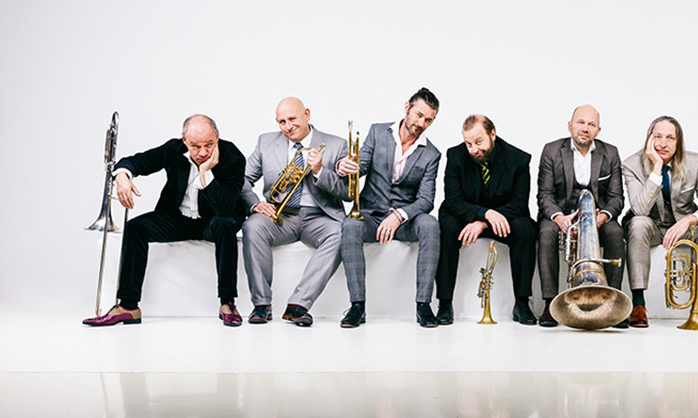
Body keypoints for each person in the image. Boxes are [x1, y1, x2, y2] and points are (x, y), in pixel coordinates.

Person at [83, 115, 246, 327]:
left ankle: (228, 303)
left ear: (217, 137)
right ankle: (129, 306)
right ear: (184, 141)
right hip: (179, 218)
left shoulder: (233, 156)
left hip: (214, 219)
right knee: (136, 228)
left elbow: (225, 207)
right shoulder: (175, 149)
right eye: (195, 146)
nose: (203, 152)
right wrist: (122, 176)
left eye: (209, 144)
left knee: (224, 226)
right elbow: (137, 161)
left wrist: (206, 173)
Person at [335, 88, 442, 328]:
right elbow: (360, 166)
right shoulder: (377, 132)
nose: (421, 123)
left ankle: (423, 305)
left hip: (404, 221)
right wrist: (344, 166)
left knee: (430, 224)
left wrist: (398, 216)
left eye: (428, 120)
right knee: (350, 225)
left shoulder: (432, 154)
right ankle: (357, 306)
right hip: (371, 215)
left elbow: (426, 200)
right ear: (407, 107)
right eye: (418, 115)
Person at [240, 97, 349, 327]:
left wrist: (320, 170)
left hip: (320, 216)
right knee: (252, 226)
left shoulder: (336, 144)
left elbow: (348, 192)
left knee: (342, 233)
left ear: (307, 114)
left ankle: (298, 305)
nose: (287, 127)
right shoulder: (265, 142)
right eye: (281, 122)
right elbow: (243, 180)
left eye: (292, 119)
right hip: (280, 215)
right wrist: (255, 204)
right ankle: (261, 305)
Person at [621, 116, 698, 327]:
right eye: (657, 136)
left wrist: (689, 221)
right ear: (649, 139)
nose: (662, 143)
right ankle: (638, 305)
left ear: (679, 142)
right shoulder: (631, 165)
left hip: (682, 226)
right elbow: (640, 209)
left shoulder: (694, 162)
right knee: (638, 223)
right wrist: (656, 168)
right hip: (651, 225)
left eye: (670, 138)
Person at [436, 115, 536, 325]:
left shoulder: (518, 159)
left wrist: (483, 221)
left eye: (478, 142)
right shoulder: (455, 156)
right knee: (447, 224)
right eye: (468, 143)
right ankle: (445, 303)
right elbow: (452, 201)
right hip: (466, 217)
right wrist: (484, 213)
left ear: (493, 134)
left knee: (525, 227)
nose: (473, 150)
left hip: (502, 219)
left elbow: (519, 203)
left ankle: (522, 303)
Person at [536, 104, 626, 327]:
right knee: (546, 232)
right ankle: (549, 304)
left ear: (598, 130)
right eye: (580, 122)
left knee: (615, 232)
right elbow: (544, 194)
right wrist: (560, 218)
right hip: (562, 215)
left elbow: (616, 198)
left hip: (597, 218)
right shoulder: (551, 150)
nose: (585, 128)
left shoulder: (611, 152)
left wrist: (601, 219)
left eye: (591, 124)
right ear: (570, 126)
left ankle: (612, 300)